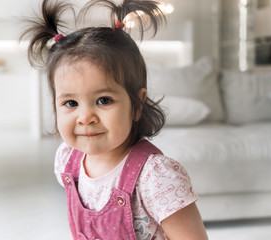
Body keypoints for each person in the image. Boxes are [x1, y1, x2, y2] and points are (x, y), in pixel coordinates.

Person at [21, 0, 208, 239]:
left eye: (103, 100)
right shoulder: (68, 160)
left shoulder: (155, 177)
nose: (85, 117)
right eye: (71, 103)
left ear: (137, 105)